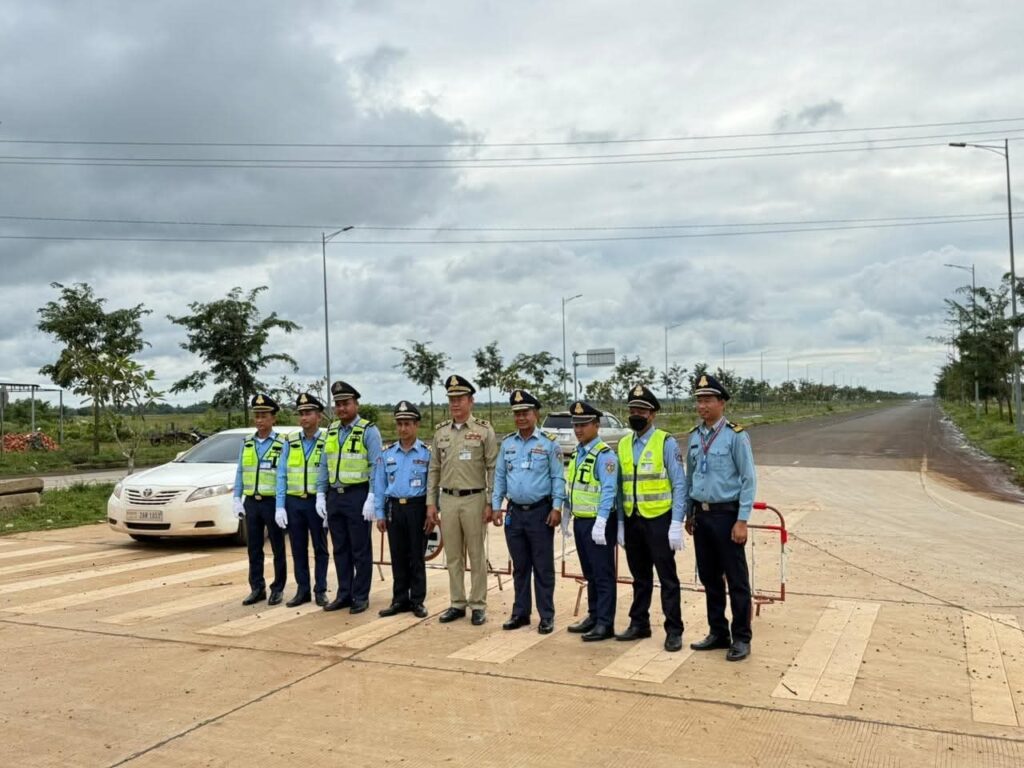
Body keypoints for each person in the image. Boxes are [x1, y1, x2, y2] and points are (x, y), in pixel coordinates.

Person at [684, 374, 756, 662]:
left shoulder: (735, 436)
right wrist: (689, 511)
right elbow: (691, 477)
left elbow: (748, 479)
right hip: (702, 517)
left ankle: (741, 638)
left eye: (708, 400)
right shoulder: (694, 436)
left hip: (727, 516)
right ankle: (718, 632)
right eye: (699, 401)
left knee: (737, 581)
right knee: (710, 578)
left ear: (721, 403)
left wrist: (742, 520)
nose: (702, 406)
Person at [616, 384, 687, 652]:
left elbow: (679, 483)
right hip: (633, 520)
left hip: (659, 520)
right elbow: (620, 486)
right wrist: (620, 523)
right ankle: (639, 623)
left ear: (652, 414)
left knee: (667, 578)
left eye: (642, 411)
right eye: (633, 410)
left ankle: (674, 630)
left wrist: (677, 522)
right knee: (639, 577)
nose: (636, 415)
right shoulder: (623, 444)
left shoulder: (665, 442)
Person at [426, 374, 498, 626]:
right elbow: (434, 469)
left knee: (476, 554)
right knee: (453, 556)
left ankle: (478, 604)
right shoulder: (441, 432)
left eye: (460, 398)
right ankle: (457, 603)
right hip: (448, 499)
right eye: (451, 399)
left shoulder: (483, 431)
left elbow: (492, 467)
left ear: (471, 401)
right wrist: (431, 502)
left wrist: (490, 501)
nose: (455, 403)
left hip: (474, 498)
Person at [491, 389, 564, 635]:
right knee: (520, 567)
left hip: (540, 512)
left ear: (536, 414)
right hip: (515, 514)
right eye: (517, 413)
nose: (521, 417)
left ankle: (546, 616)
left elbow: (558, 478)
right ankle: (520, 613)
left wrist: (556, 507)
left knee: (543, 568)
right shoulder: (508, 444)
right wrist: (496, 506)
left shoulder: (549, 443)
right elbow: (500, 477)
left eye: (526, 413)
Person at [317, 380, 382, 614]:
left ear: (356, 404)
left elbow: (376, 466)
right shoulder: (332, 430)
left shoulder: (368, 430)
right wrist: (320, 493)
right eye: (338, 404)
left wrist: (372, 496)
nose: (342, 408)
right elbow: (324, 463)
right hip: (335, 496)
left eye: (346, 403)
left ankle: (361, 596)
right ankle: (344, 593)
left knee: (360, 549)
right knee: (340, 548)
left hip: (358, 495)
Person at [564, 400, 619, 641]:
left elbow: (608, 490)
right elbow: (575, 485)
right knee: (590, 573)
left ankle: (605, 623)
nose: (578, 430)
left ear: (596, 425)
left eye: (583, 425)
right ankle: (594, 615)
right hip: (581, 521)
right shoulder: (578, 452)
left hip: (599, 523)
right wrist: (568, 511)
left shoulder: (605, 456)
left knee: (603, 574)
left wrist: (602, 521)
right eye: (576, 425)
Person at [373, 400, 431, 619]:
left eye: (407, 424)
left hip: (417, 507)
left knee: (416, 556)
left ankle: (417, 600)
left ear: (416, 425)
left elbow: (433, 485)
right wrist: (380, 513)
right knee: (397, 555)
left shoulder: (426, 454)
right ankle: (399, 599)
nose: (403, 428)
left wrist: (432, 511)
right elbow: (379, 485)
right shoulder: (387, 454)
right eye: (399, 424)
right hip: (395, 508)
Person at [232, 394, 288, 606]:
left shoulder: (282, 443)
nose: (260, 420)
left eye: (264, 416)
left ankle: (278, 588)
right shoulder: (247, 443)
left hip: (271, 502)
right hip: (251, 503)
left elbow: (282, 475)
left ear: (274, 418)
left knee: (277, 547)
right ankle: (257, 588)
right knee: (254, 548)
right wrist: (237, 497)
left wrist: (281, 505)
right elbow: (241, 471)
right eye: (257, 416)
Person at [276, 392, 329, 608]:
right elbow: (282, 474)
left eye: (308, 413)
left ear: (319, 416)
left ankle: (321, 590)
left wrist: (326, 499)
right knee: (298, 548)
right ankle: (302, 590)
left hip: (317, 503)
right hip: (294, 502)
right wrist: (280, 505)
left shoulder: (328, 440)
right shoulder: (291, 441)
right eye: (301, 413)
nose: (304, 417)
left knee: (320, 548)